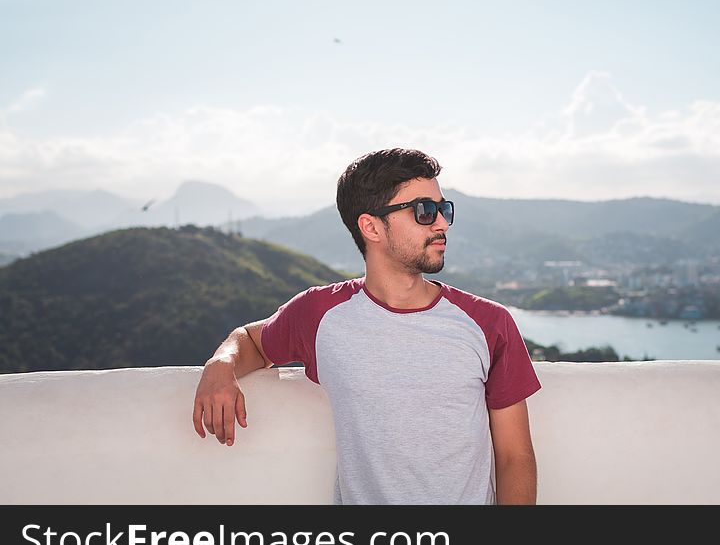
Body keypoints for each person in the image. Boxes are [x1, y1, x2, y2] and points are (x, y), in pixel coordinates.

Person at [192, 148, 541, 504]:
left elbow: (515, 457)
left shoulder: (489, 323)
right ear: (371, 226)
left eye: (444, 208)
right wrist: (221, 364)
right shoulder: (319, 313)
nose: (442, 223)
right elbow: (253, 341)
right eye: (425, 211)